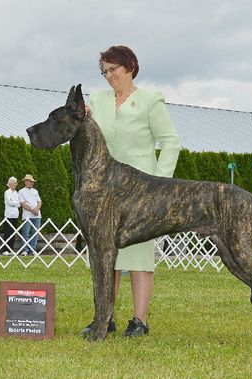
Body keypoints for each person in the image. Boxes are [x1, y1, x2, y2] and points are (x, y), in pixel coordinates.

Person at [83, 45, 181, 337]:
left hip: (141, 192)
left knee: (138, 257)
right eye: (104, 71)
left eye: (114, 69)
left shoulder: (150, 100)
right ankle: (105, 318)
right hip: (104, 192)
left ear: (130, 68)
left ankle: (140, 321)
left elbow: (171, 141)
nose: (109, 75)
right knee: (104, 256)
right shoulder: (97, 101)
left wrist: (161, 183)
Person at [18, 174, 42, 256]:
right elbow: (23, 204)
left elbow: (39, 201)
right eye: (30, 182)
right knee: (26, 232)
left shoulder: (35, 191)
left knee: (35, 233)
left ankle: (32, 250)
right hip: (27, 215)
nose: (32, 183)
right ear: (26, 182)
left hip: (37, 215)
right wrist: (32, 209)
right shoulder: (21, 191)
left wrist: (37, 209)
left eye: (32, 182)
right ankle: (25, 250)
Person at [3, 177, 20, 255]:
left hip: (15, 215)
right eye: (14, 183)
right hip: (8, 215)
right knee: (8, 232)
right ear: (10, 183)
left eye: (16, 183)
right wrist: (15, 203)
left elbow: (19, 204)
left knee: (13, 233)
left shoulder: (16, 193)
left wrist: (15, 203)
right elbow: (9, 202)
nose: (15, 184)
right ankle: (5, 250)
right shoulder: (7, 192)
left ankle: (10, 249)